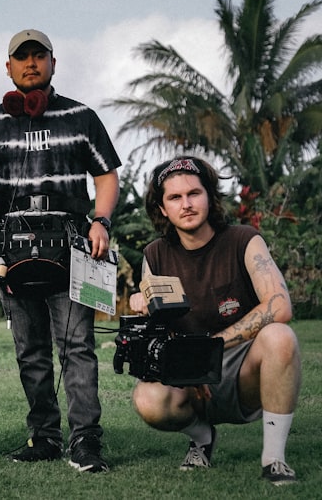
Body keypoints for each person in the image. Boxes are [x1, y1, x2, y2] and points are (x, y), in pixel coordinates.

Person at [0, 29, 122, 473]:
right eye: (21, 57)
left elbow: (107, 175)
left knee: (76, 346)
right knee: (29, 349)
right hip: (10, 251)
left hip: (72, 246)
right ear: (8, 67)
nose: (31, 63)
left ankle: (86, 440)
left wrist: (101, 221)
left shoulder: (82, 116)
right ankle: (45, 436)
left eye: (39, 55)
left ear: (54, 62)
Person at [127, 156, 301, 486]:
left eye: (194, 193)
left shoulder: (244, 239)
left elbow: (279, 305)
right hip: (189, 374)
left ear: (210, 196)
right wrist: (143, 305)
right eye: (175, 198)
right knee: (147, 399)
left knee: (281, 335)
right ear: (162, 209)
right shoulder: (155, 255)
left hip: (242, 367)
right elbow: (160, 325)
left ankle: (274, 460)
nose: (187, 204)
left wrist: (212, 348)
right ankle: (203, 437)